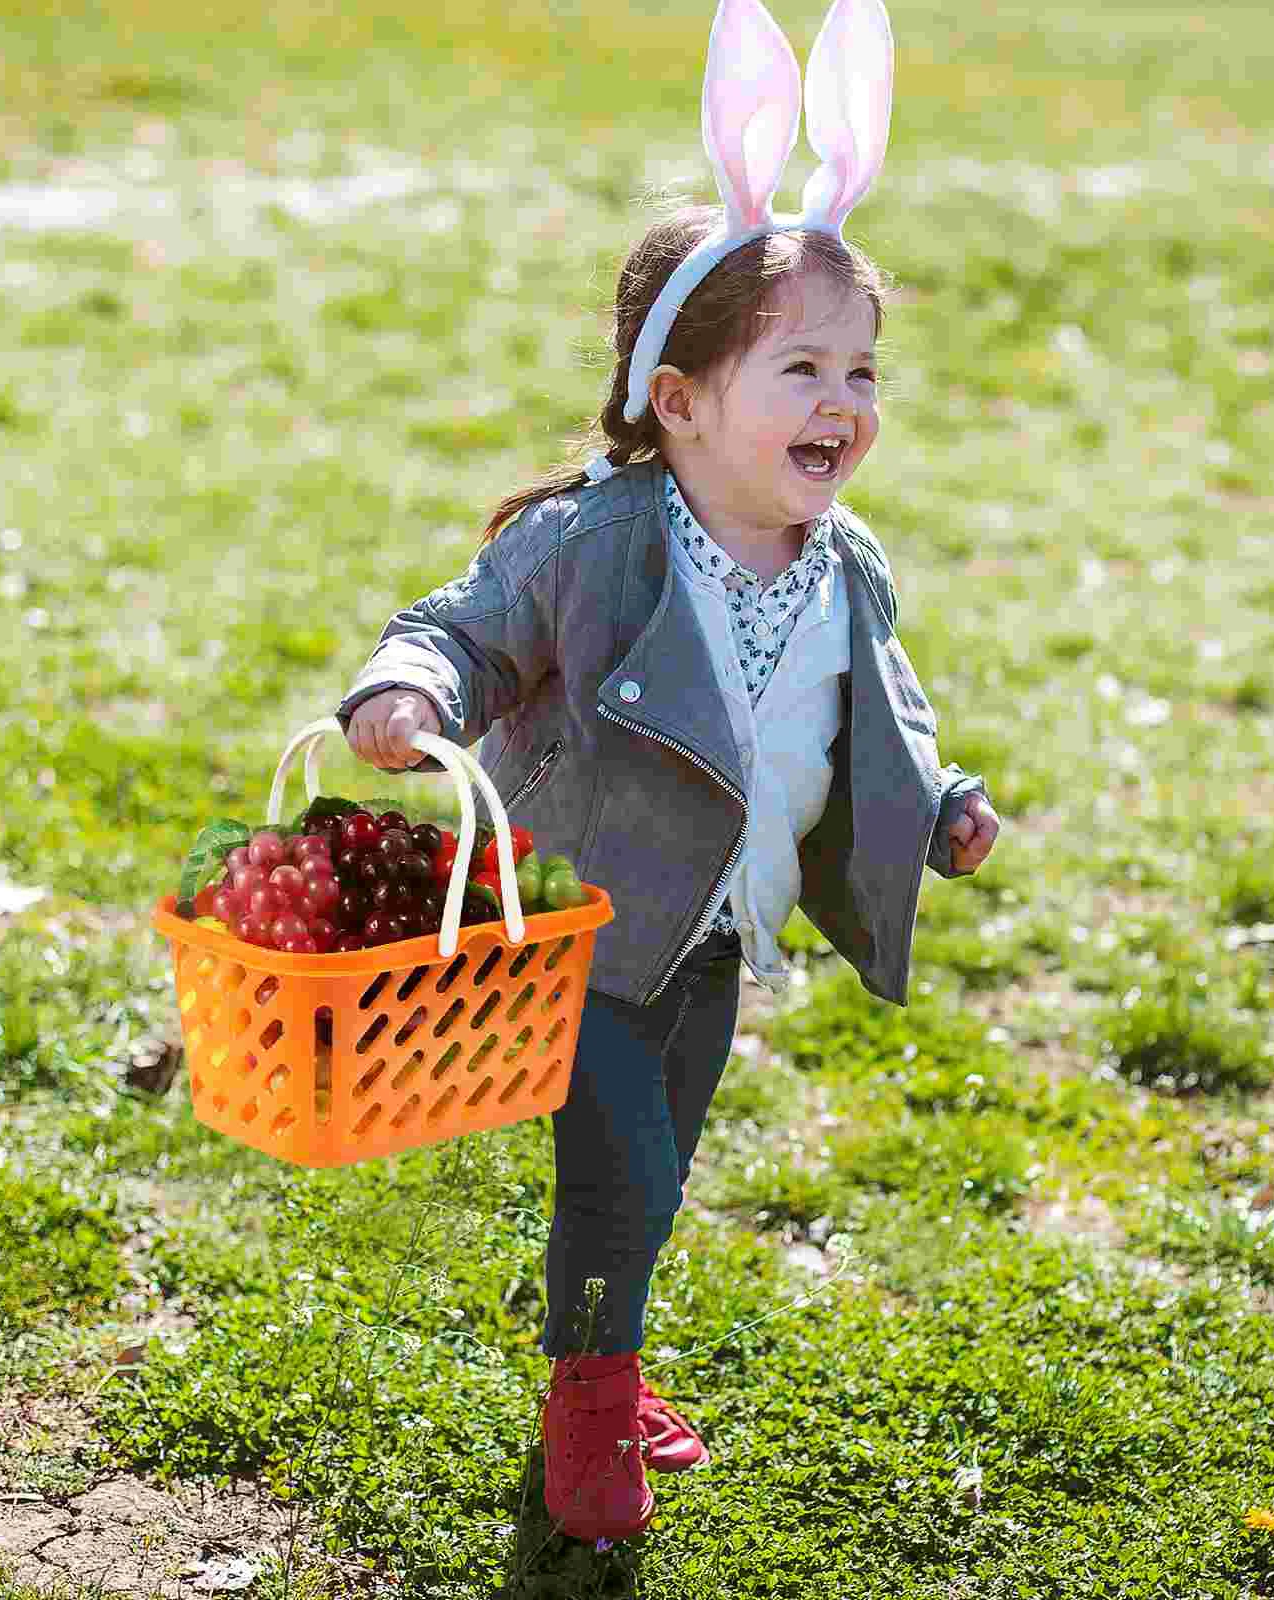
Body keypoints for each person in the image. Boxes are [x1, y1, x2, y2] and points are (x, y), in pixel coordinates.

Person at [336, 0, 1001, 1545]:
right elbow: (467, 624)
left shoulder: (845, 564)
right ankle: (590, 1410)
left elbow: (879, 707)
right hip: (588, 917)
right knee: (622, 1158)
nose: (845, 404)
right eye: (803, 369)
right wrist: (407, 687)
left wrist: (945, 794)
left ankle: (604, 1348)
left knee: (665, 1154)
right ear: (681, 397)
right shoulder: (605, 539)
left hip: (717, 919)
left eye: (864, 370)